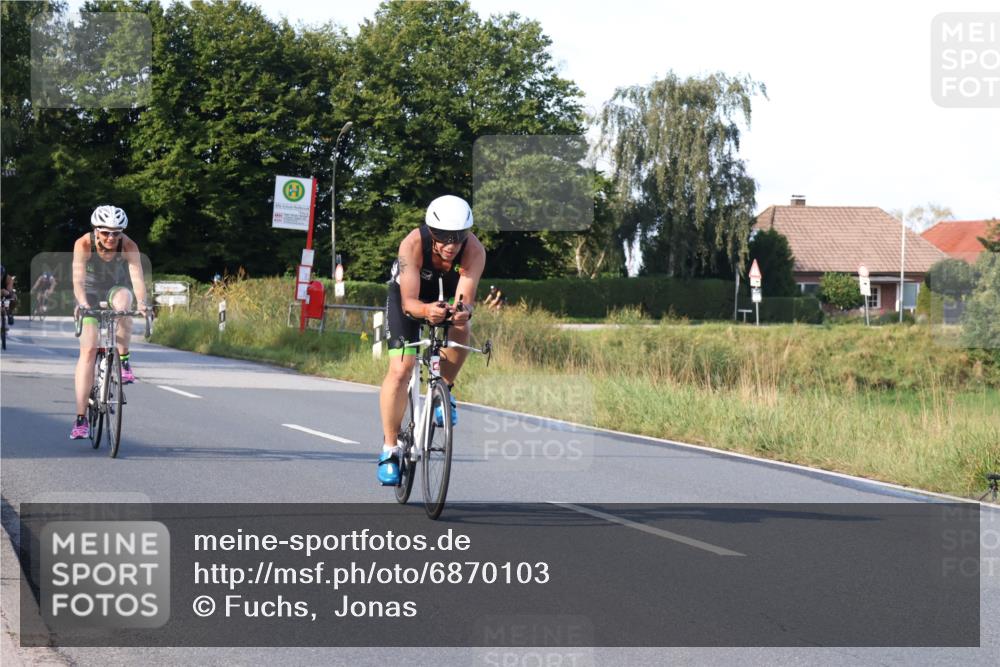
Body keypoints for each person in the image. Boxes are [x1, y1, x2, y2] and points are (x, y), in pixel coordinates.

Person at [377, 194, 486, 485]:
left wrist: (461, 312)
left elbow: (465, 299)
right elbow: (409, 303)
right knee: (401, 368)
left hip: (444, 296)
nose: (452, 245)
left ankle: (445, 390)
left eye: (459, 237)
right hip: (409, 299)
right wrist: (427, 310)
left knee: (462, 326)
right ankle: (389, 449)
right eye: (444, 237)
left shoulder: (474, 250)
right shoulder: (412, 245)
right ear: (432, 233)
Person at [70, 205, 150, 439]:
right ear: (96, 231)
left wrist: (143, 303)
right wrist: (83, 304)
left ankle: (124, 362)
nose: (111, 237)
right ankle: (81, 419)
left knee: (125, 303)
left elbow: (137, 277)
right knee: (88, 351)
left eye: (116, 233)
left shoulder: (128, 245)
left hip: (115, 289)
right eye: (105, 232)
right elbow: (77, 280)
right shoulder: (83, 244)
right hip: (89, 293)